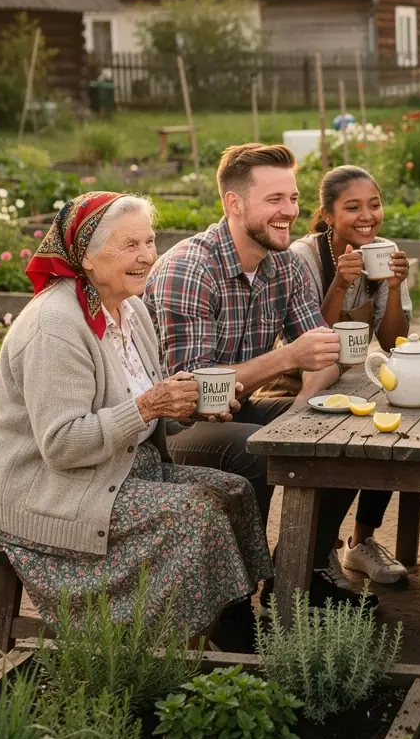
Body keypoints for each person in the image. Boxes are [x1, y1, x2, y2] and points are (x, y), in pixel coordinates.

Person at [0, 193, 273, 648]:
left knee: (234, 491)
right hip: (43, 490)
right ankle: (163, 656)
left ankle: (227, 632)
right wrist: (150, 406)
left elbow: (142, 417)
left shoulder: (131, 310)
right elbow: (63, 446)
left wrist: (186, 405)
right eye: (128, 245)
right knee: (195, 516)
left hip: (115, 471)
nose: (146, 256)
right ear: (86, 257)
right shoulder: (55, 325)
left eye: (150, 241)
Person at [144, 143, 373, 610]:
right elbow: (189, 398)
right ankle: (232, 603)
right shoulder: (190, 269)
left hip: (236, 406)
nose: (289, 212)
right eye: (275, 200)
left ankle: (298, 575)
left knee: (347, 431)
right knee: (257, 454)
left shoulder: (283, 263)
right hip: (168, 427)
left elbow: (323, 352)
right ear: (234, 204)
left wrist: (299, 409)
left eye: (292, 198)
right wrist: (287, 358)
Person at [288, 165, 412, 586]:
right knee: (345, 440)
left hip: (349, 376)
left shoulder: (384, 251)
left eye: (374, 205)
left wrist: (394, 287)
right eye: (352, 207)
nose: (367, 216)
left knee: (397, 421)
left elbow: (393, 341)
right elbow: (307, 338)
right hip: (298, 377)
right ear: (327, 215)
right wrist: (339, 284)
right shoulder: (304, 257)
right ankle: (319, 549)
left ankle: (361, 544)